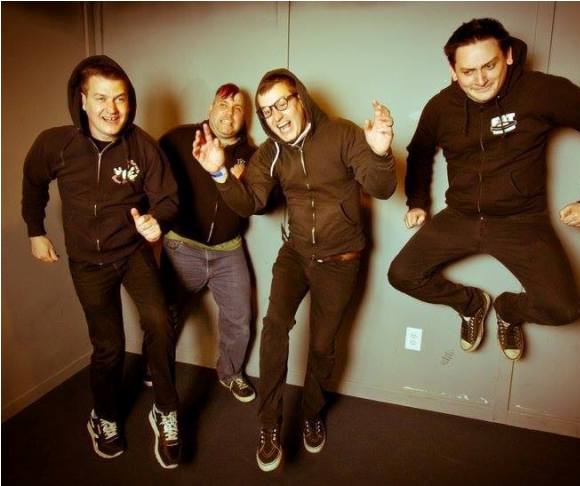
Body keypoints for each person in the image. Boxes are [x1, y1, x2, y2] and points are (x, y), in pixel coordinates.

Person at [192, 69, 396, 471]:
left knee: (322, 346)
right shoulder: (270, 153)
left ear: (300, 98)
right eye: (267, 111)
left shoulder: (342, 134)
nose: (277, 116)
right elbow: (250, 202)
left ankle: (312, 412)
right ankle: (269, 423)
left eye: (282, 103)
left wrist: (380, 153)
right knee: (274, 327)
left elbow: (382, 187)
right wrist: (220, 174)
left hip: (340, 261)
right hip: (296, 255)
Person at [388, 18, 580, 361]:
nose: (480, 79)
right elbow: (420, 153)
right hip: (460, 216)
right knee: (401, 275)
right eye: (468, 71)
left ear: (509, 55)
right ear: (453, 71)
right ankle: (471, 304)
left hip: (521, 221)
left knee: (564, 308)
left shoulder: (540, 90)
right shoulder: (441, 106)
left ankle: (508, 310)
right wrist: (417, 202)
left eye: (489, 65)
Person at [21, 55, 182, 469]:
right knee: (109, 347)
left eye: (121, 98)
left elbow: (167, 198)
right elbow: (34, 183)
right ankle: (104, 417)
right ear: (82, 100)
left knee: (160, 322)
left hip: (131, 254)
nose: (112, 108)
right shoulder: (55, 144)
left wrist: (157, 221)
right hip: (88, 265)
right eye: (101, 98)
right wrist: (35, 231)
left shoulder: (142, 146)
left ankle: (165, 408)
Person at [157, 83, 256, 402]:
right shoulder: (178, 139)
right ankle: (155, 367)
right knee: (164, 315)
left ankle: (231, 373)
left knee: (239, 318)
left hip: (229, 251)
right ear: (211, 108)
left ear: (244, 116)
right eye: (223, 105)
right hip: (182, 248)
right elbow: (150, 181)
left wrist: (236, 183)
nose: (230, 113)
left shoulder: (252, 156)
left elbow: (258, 204)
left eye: (237, 108)